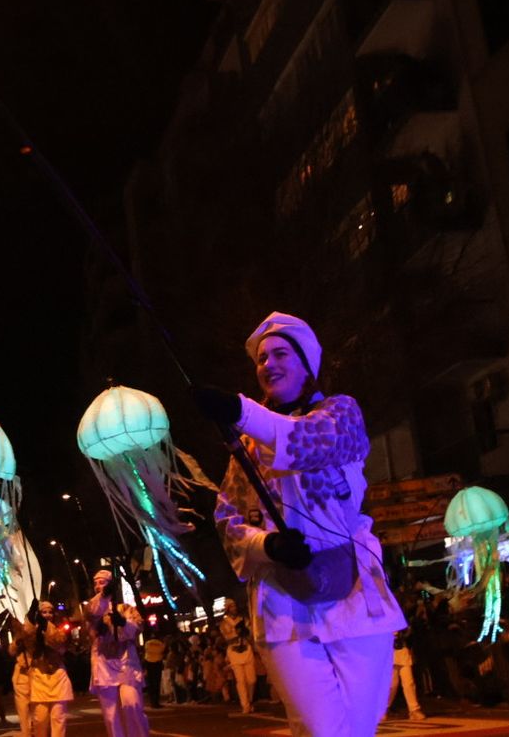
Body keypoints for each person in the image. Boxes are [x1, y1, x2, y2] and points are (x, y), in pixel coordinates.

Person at [199, 312, 405, 737]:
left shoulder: (342, 414)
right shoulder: (248, 447)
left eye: (280, 354)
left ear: (307, 363)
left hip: (355, 593)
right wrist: (266, 546)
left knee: (359, 728)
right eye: (261, 359)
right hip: (283, 601)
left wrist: (239, 409)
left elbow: (307, 442)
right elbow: (226, 518)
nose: (268, 364)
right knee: (319, 729)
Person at [85, 570, 148, 737]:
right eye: (96, 583)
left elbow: (136, 630)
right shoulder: (93, 609)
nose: (99, 586)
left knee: (131, 704)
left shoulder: (127, 609)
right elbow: (93, 614)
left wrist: (122, 623)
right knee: (111, 715)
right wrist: (105, 597)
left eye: (103, 583)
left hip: (126, 663)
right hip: (104, 665)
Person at [21, 601, 73, 737]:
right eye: (44, 612)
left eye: (50, 612)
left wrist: (47, 627)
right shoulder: (33, 631)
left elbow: (59, 643)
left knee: (58, 718)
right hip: (39, 677)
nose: (48, 615)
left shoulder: (60, 628)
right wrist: (31, 619)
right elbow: (27, 637)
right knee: (40, 719)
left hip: (58, 677)